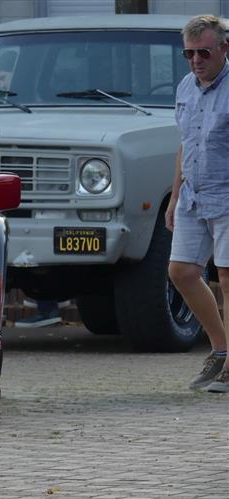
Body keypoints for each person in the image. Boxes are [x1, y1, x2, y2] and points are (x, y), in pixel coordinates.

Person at [166, 15, 229, 393]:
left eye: (203, 53)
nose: (195, 61)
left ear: (224, 48)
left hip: (226, 195)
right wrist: (175, 197)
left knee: (227, 278)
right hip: (192, 196)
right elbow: (185, 144)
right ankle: (220, 349)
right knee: (182, 271)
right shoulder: (185, 87)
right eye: (188, 54)